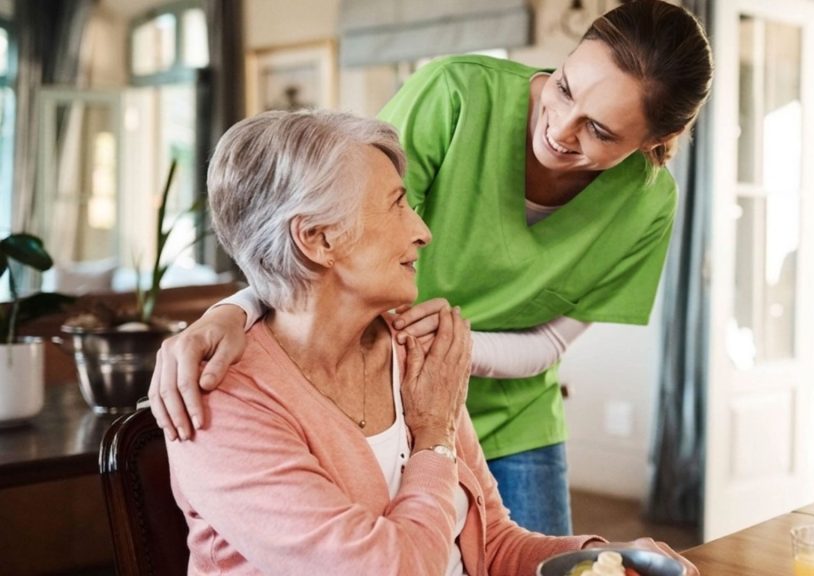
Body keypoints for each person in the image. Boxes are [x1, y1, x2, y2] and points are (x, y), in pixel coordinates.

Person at [151, 0, 713, 536]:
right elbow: (328, 232)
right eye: (564, 88)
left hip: (514, 416)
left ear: (655, 142)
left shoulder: (647, 204)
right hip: (379, 393)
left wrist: (446, 360)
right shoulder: (455, 94)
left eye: (600, 131)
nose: (560, 129)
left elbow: (548, 344)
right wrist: (234, 309)